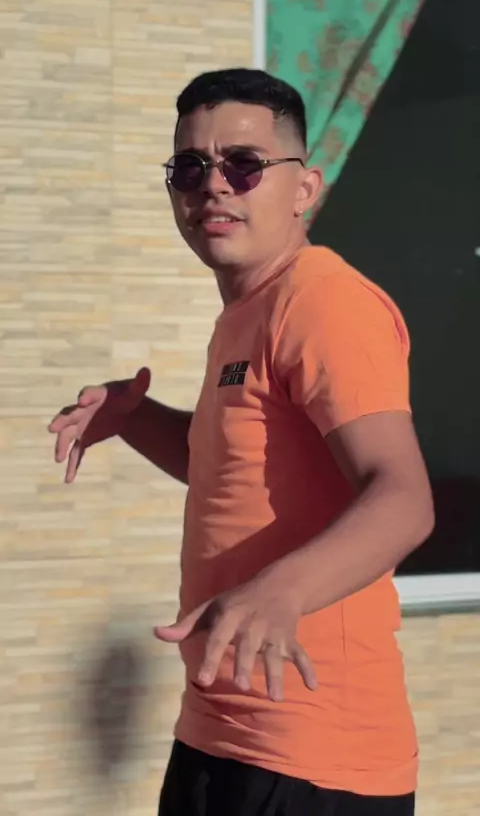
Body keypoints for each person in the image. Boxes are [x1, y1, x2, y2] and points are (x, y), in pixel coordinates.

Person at [49, 68, 434, 816]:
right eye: (191, 167)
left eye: (244, 164)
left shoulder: (322, 302)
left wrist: (282, 590)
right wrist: (134, 417)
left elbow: (403, 497)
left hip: (314, 754)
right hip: (220, 730)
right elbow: (233, 470)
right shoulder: (249, 310)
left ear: (303, 188)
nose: (215, 186)